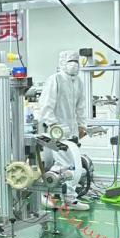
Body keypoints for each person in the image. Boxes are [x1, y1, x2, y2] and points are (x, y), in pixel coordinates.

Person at [37, 49, 89, 210]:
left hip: (72, 130)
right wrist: (53, 124)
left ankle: (69, 198)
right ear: (62, 63)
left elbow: (81, 106)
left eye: (76, 61)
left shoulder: (78, 82)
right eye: (70, 62)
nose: (74, 65)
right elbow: (45, 105)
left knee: (73, 166)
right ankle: (45, 193)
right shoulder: (55, 79)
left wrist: (82, 125)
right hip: (56, 131)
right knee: (62, 164)